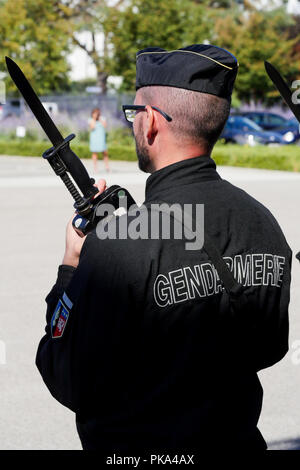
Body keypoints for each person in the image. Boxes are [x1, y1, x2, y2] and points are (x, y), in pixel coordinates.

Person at [36, 45, 292, 454]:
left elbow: (66, 377)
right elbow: (271, 346)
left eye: (134, 114)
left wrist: (71, 265)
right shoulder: (263, 220)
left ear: (151, 122)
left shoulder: (119, 244)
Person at [88, 107, 110, 173]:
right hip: (94, 138)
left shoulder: (102, 118)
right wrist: (94, 119)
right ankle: (95, 168)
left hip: (101, 138)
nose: (96, 114)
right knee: (95, 153)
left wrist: (100, 119)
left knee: (105, 152)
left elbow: (105, 126)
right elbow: (92, 127)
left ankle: (107, 167)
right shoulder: (90, 120)